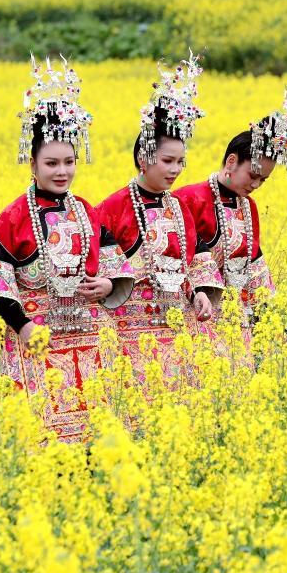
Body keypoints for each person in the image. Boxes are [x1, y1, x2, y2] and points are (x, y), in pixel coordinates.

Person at [0, 56, 132, 442]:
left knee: (96, 437)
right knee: (41, 439)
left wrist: (108, 286)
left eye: (68, 161)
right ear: (32, 164)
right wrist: (24, 326)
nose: (61, 171)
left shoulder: (86, 210)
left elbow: (116, 266)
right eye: (51, 163)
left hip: (88, 334)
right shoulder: (12, 218)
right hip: (36, 338)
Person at [174, 87, 287, 353]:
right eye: (253, 174)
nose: (256, 184)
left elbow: (253, 266)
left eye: (263, 179)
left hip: (235, 319)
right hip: (193, 313)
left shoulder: (248, 207)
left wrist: (268, 318)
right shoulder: (189, 199)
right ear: (231, 162)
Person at [95, 54, 206, 386]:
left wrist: (199, 292)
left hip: (178, 326)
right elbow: (97, 267)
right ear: (144, 159)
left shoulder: (180, 207)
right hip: (130, 332)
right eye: (168, 160)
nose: (175, 170)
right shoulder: (113, 207)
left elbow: (194, 260)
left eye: (181, 162)